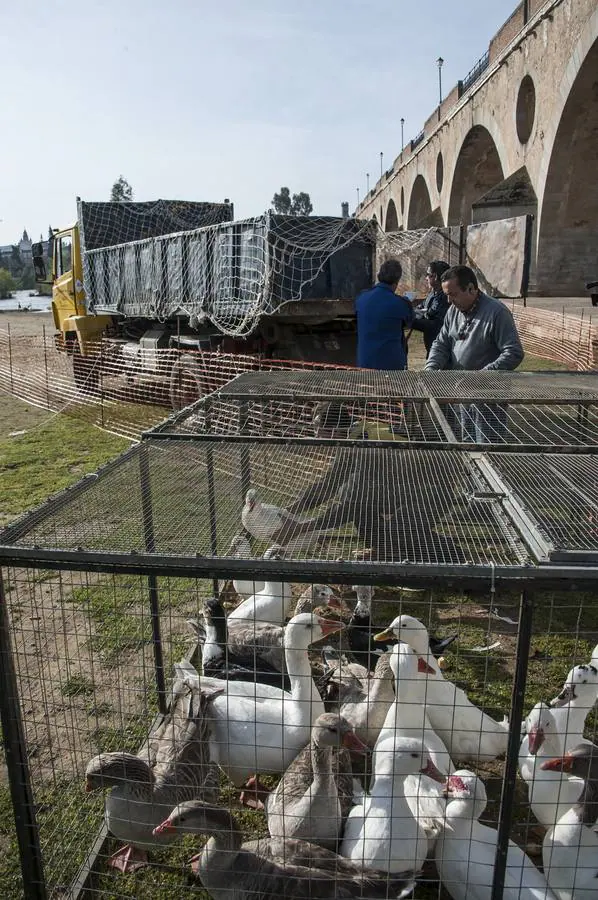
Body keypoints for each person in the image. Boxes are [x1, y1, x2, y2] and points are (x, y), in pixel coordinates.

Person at [425, 264, 524, 443]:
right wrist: (431, 368)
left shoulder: (497, 313)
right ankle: (471, 472)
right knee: (468, 441)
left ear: (471, 289)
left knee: (488, 446)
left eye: (453, 294)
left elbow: (514, 352)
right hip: (462, 391)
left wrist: (481, 376)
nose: (449, 301)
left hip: (489, 396)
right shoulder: (453, 311)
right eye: (447, 295)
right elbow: (441, 343)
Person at [355, 258, 413, 370]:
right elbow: (409, 322)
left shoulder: (361, 298)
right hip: (391, 365)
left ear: (379, 275)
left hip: (364, 363)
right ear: (397, 281)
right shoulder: (400, 303)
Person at [410, 260, 450, 357]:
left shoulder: (446, 298)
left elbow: (435, 325)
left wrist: (409, 320)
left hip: (443, 350)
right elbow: (422, 307)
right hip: (431, 347)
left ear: (435, 277)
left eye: (428, 274)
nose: (426, 278)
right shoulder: (433, 293)